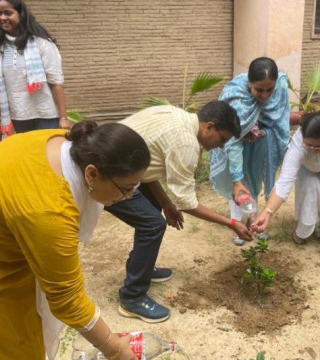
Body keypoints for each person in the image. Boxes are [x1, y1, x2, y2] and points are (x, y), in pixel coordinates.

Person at [0, 121, 151, 360]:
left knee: (28, 341)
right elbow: (68, 300)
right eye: (125, 189)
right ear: (91, 173)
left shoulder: (67, 143)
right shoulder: (49, 211)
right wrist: (116, 350)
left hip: (6, 255)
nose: (128, 197)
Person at [105, 101, 253, 323]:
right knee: (152, 224)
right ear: (209, 127)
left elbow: (148, 166)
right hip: (109, 175)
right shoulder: (186, 144)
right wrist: (232, 223)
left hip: (122, 163)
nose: (221, 146)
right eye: (222, 139)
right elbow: (187, 203)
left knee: (152, 211)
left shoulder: (175, 114)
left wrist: (165, 204)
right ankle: (132, 298)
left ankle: (141, 268)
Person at [251, 110, 320, 244]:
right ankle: (304, 228)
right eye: (309, 145)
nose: (315, 150)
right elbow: (284, 183)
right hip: (310, 167)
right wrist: (267, 213)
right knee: (309, 189)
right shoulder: (298, 144)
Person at [209, 57, 290, 245]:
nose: (265, 95)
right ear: (249, 83)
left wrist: (262, 133)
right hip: (237, 148)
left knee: (255, 182)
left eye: (269, 89)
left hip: (263, 145)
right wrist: (236, 178)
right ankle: (238, 225)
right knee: (239, 185)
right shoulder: (236, 96)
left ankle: (254, 221)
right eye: (258, 90)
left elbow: (280, 120)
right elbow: (233, 137)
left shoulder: (281, 88)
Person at [0, 0, 70, 141]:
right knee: (29, 157)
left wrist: (63, 118)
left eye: (8, 13)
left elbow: (55, 83)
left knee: (47, 157)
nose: (2, 18)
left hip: (47, 115)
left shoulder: (42, 43)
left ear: (21, 14)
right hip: (19, 117)